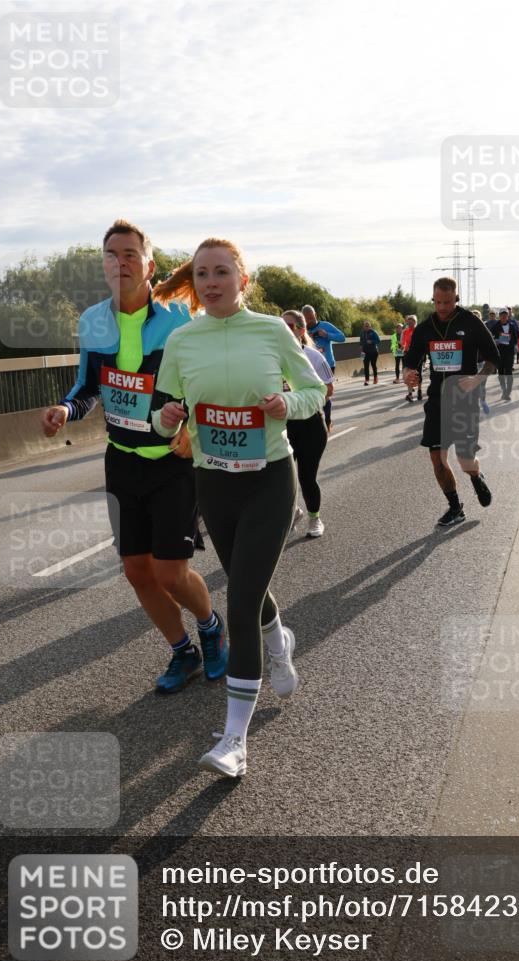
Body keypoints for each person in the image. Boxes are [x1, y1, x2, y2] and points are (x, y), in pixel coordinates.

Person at [151, 239, 325, 778]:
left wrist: (285, 403)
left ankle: (234, 741)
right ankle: (280, 639)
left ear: (242, 280)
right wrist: (171, 416)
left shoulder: (272, 330)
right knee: (249, 585)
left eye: (221, 272)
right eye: (201, 273)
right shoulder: (183, 340)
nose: (210, 281)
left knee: (241, 598)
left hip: (270, 479)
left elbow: (314, 391)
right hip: (214, 483)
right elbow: (159, 417)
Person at [40, 219, 228, 694]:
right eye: (110, 254)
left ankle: (211, 627)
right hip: (121, 460)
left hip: (171, 459)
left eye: (129, 254)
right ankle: (181, 651)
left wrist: (193, 425)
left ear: (150, 265)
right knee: (136, 571)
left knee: (171, 570)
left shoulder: (179, 319)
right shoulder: (92, 321)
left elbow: (205, 379)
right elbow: (88, 387)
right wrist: (66, 408)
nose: (118, 263)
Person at [402, 277, 500, 527]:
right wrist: (408, 373)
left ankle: (476, 477)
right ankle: (455, 507)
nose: (442, 307)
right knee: (437, 458)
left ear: (456, 299)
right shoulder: (425, 328)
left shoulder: (471, 323)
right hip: (437, 401)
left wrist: (478, 379)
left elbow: (494, 359)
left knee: (465, 461)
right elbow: (410, 359)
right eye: (438, 302)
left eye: (447, 302)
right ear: (433, 299)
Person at [281, 310, 334, 538]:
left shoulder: (313, 356)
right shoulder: (271, 357)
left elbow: (329, 390)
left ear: (302, 331)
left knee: (306, 477)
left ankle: (315, 518)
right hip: (282, 426)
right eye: (281, 325)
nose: (285, 330)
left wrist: (299, 400)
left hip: (310, 425)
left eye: (290, 326)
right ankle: (293, 512)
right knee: (281, 479)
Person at [301, 305, 346, 433]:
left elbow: (342, 337)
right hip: (309, 366)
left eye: (312, 318)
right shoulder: (302, 328)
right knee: (311, 393)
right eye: (307, 319)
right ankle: (313, 421)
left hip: (327, 364)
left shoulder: (325, 325)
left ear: (315, 315)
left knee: (326, 395)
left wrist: (327, 335)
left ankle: (327, 420)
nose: (310, 321)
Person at [493, 307, 519, 401]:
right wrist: (495, 340)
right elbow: (491, 337)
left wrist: (515, 345)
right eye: (502, 315)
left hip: (509, 351)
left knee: (508, 372)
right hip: (499, 352)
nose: (504, 316)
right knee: (501, 372)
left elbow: (516, 336)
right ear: (499, 316)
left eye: (505, 315)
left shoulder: (512, 325)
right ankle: (503, 390)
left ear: (508, 316)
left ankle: (508, 392)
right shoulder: (495, 326)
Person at [472, 309, 491, 415]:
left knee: (482, 385)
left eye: (476, 317)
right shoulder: (465, 331)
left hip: (482, 362)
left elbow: (489, 347)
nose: (474, 318)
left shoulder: (484, 331)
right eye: (473, 316)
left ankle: (483, 402)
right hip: (470, 364)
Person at [402, 315, 422, 402]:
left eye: (412, 321)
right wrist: (403, 347)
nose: (410, 323)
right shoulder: (405, 332)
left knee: (418, 373)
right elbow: (402, 343)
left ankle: (419, 391)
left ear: (415, 322)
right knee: (409, 374)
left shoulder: (419, 331)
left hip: (418, 355)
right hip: (408, 354)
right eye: (409, 321)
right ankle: (410, 394)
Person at [360, 320, 381, 384]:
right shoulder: (362, 333)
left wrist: (372, 341)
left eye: (367, 326)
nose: (366, 327)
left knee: (373, 365)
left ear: (370, 326)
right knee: (365, 366)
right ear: (363, 326)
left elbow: (378, 340)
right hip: (364, 352)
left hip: (373, 351)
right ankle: (367, 380)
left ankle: (375, 378)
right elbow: (361, 341)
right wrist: (361, 348)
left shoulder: (373, 332)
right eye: (365, 326)